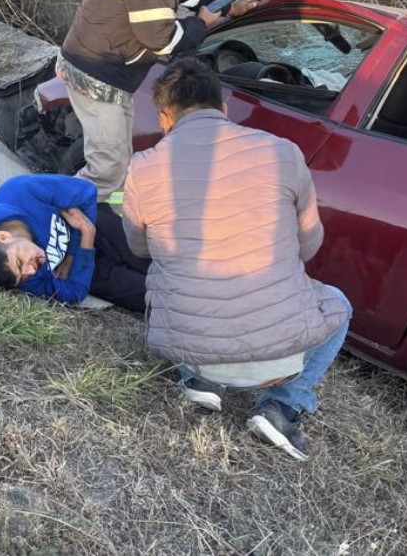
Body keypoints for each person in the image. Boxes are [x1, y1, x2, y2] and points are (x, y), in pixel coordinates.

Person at [121, 58, 352, 461]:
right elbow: (309, 246)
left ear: (163, 118)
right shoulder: (284, 153)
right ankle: (283, 404)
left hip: (192, 348)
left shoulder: (142, 168)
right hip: (284, 358)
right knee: (340, 303)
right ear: (224, 109)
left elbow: (140, 249)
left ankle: (198, 379)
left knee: (169, 275)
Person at [57, 0, 263, 201]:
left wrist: (230, 5)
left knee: (117, 165)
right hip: (98, 72)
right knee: (107, 171)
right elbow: (160, 40)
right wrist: (200, 24)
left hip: (103, 67)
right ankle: (54, 212)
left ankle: (97, 224)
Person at [0, 174, 149, 312]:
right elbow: (76, 292)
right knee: (156, 297)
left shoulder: (20, 191)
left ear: (3, 237)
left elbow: (86, 191)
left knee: (162, 258)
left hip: (97, 227)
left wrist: (73, 251)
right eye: (22, 278)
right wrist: (86, 238)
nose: (31, 272)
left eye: (20, 263)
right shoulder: (15, 276)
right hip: (89, 267)